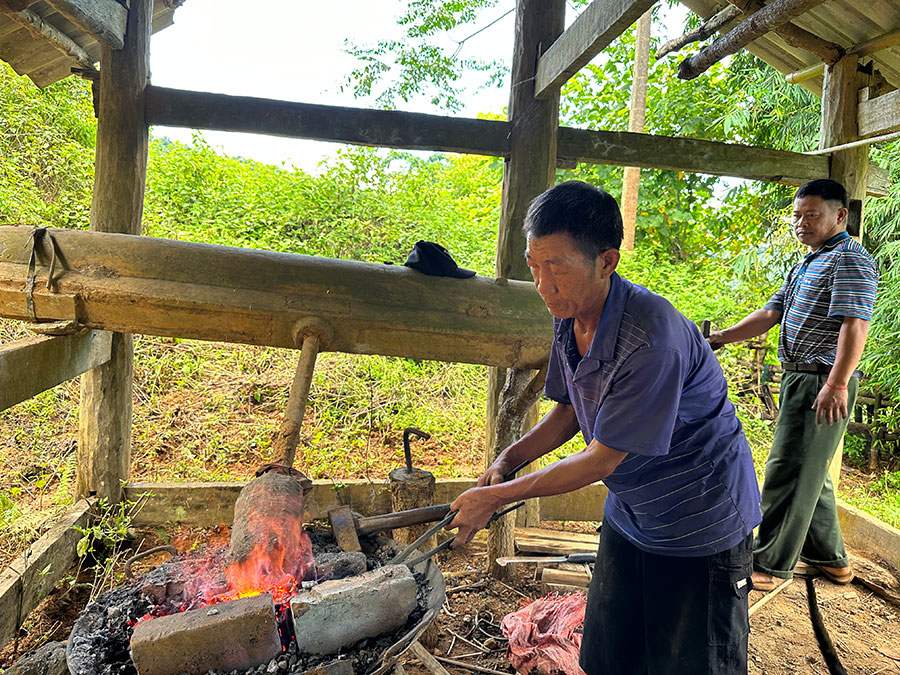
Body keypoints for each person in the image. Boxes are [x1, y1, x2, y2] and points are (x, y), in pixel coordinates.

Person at [448, 180, 761, 674]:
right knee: (608, 652)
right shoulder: (569, 310)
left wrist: (496, 497)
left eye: (557, 269)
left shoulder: (651, 340)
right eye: (534, 267)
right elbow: (571, 411)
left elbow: (601, 458)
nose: (544, 286)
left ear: (607, 262)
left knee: (688, 663)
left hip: (697, 518)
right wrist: (509, 460)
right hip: (631, 512)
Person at [708, 178, 878, 592]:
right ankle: (831, 560)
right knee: (810, 472)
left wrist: (837, 383)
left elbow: (856, 325)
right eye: (797, 215)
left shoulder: (850, 260)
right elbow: (772, 312)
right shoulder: (809, 260)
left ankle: (769, 562)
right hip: (801, 376)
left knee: (789, 469)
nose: (801, 223)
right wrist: (721, 337)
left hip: (823, 380)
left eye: (812, 215)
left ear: (840, 216)